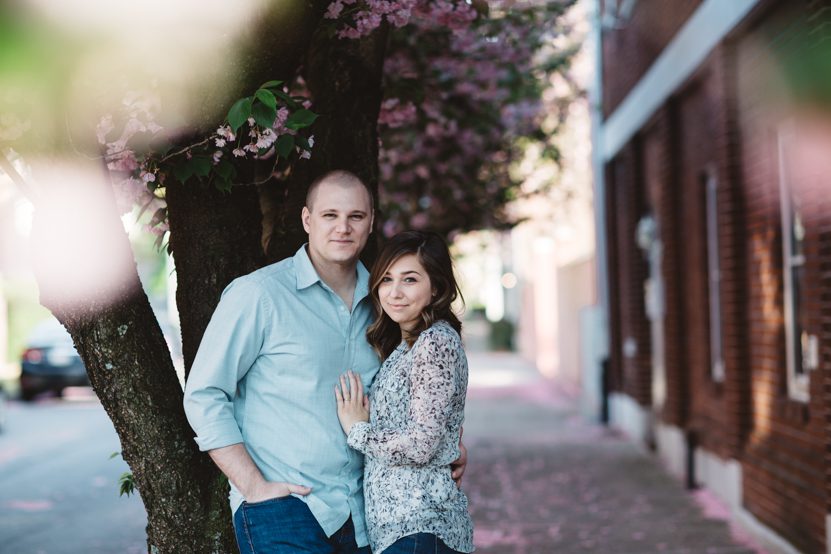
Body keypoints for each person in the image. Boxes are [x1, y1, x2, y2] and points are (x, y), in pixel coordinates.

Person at [183, 170, 466, 554]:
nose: (343, 228)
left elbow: (417, 388)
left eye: (355, 216)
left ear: (371, 223)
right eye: (330, 215)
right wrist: (254, 487)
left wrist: (446, 444)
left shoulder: (386, 304)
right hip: (285, 506)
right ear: (307, 220)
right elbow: (204, 393)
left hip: (366, 516)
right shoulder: (259, 295)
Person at [335, 230, 475, 554]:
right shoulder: (406, 346)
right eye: (386, 279)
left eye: (409, 279)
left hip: (420, 526)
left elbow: (421, 444)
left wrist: (358, 431)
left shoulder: (434, 342)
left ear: (436, 286)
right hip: (403, 532)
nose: (394, 292)